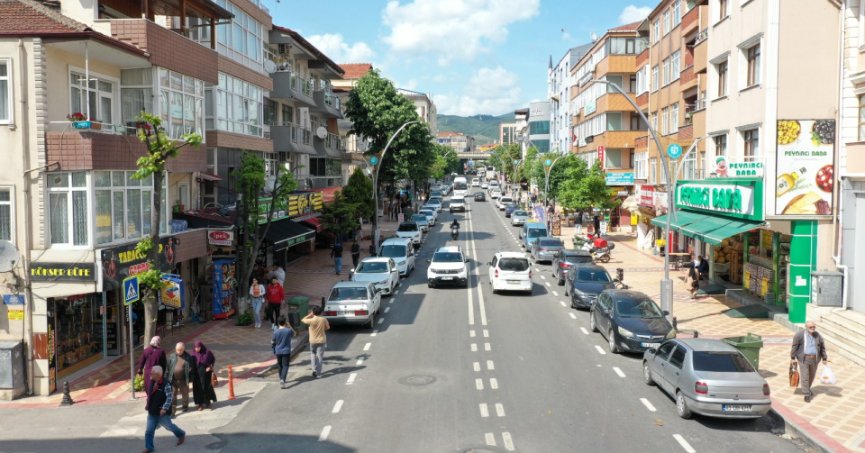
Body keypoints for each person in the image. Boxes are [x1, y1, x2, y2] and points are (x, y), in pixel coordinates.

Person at [143, 366, 185, 453]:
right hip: (152, 411)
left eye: (152, 373)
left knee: (169, 427)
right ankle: (149, 447)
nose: (150, 374)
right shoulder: (152, 381)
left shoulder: (166, 384)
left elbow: (169, 398)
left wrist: (164, 408)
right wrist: (148, 404)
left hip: (162, 413)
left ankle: (181, 434)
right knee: (149, 431)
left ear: (158, 375)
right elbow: (150, 395)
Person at [791, 321, 828, 402]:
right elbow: (794, 346)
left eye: (814, 327)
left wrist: (824, 358)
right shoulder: (799, 335)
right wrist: (793, 357)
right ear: (806, 327)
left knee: (811, 375)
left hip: (814, 359)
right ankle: (806, 393)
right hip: (803, 359)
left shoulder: (817, 335)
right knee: (805, 376)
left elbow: (822, 347)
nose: (812, 328)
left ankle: (807, 388)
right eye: (810, 327)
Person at [302, 305, 330, 378]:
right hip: (321, 340)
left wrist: (310, 315)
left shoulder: (311, 320)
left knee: (313, 354)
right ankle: (319, 373)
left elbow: (303, 320)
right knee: (320, 356)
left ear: (313, 312)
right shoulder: (323, 319)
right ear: (320, 312)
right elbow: (328, 327)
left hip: (313, 341)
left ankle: (314, 369)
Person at [166, 342, 195, 414]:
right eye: (177, 350)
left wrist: (190, 378)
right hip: (173, 380)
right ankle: (173, 407)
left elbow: (192, 369)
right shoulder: (172, 356)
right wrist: (166, 377)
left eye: (180, 350)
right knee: (173, 394)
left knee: (185, 394)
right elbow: (168, 367)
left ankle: (185, 406)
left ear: (183, 349)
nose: (179, 351)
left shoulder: (188, 357)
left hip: (183, 380)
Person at [192, 341, 217, 410]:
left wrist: (210, 367)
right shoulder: (193, 353)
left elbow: (212, 360)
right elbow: (192, 363)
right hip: (197, 375)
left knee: (206, 388)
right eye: (196, 347)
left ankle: (207, 402)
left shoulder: (207, 352)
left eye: (198, 347)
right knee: (198, 389)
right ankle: (200, 404)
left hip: (206, 375)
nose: (197, 349)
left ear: (201, 346)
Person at [271, 315, 294, 388]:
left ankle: (281, 378)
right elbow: (294, 334)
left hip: (278, 351)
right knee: (285, 365)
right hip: (286, 351)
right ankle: (283, 380)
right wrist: (290, 326)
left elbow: (272, 341)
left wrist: (273, 348)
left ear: (278, 323)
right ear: (285, 322)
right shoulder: (288, 330)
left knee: (280, 365)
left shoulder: (276, 332)